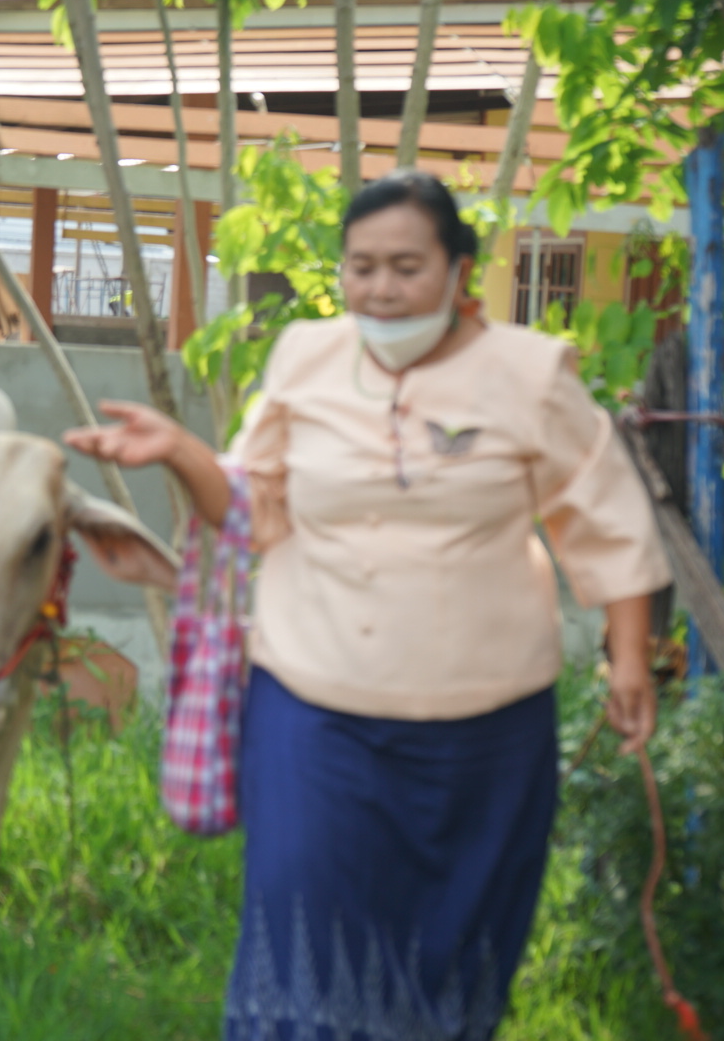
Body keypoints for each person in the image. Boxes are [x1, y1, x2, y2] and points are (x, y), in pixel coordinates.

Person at [64, 170, 672, 1041]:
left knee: (452, 948)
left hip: (487, 731)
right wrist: (183, 454)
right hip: (313, 713)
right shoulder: (306, 357)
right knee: (303, 929)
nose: (381, 289)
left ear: (460, 271)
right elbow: (254, 506)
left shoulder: (531, 374)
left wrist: (628, 659)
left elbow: (606, 520)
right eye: (361, 268)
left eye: (406, 267)